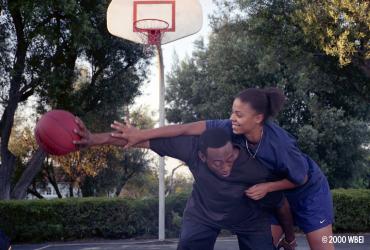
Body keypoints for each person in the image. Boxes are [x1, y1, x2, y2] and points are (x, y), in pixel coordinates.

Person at [109, 87, 334, 250]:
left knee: (321, 246)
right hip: (275, 193)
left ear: (258, 118)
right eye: (232, 112)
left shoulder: (280, 145)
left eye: (239, 114)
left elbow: (301, 178)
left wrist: (267, 186)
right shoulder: (231, 128)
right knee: (270, 245)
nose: (232, 118)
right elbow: (187, 129)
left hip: (306, 190)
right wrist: (141, 134)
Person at [73, 120, 295, 250]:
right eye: (218, 162)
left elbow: (281, 204)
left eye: (230, 159)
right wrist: (94, 139)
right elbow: (138, 140)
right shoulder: (190, 148)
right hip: (203, 215)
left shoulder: (256, 167)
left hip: (250, 220)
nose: (226, 167)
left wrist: (291, 239)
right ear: (202, 157)